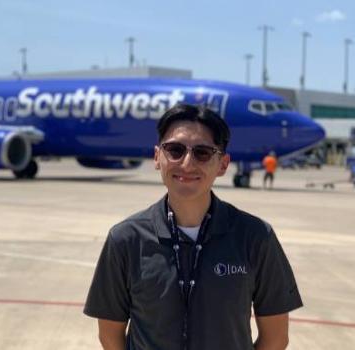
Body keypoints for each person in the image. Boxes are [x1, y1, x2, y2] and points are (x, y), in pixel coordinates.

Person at [84, 104, 303, 350]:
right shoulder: (125, 239)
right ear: (158, 157)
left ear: (222, 164)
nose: (187, 163)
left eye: (203, 152)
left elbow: (275, 339)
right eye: (175, 150)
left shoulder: (256, 237)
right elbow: (110, 336)